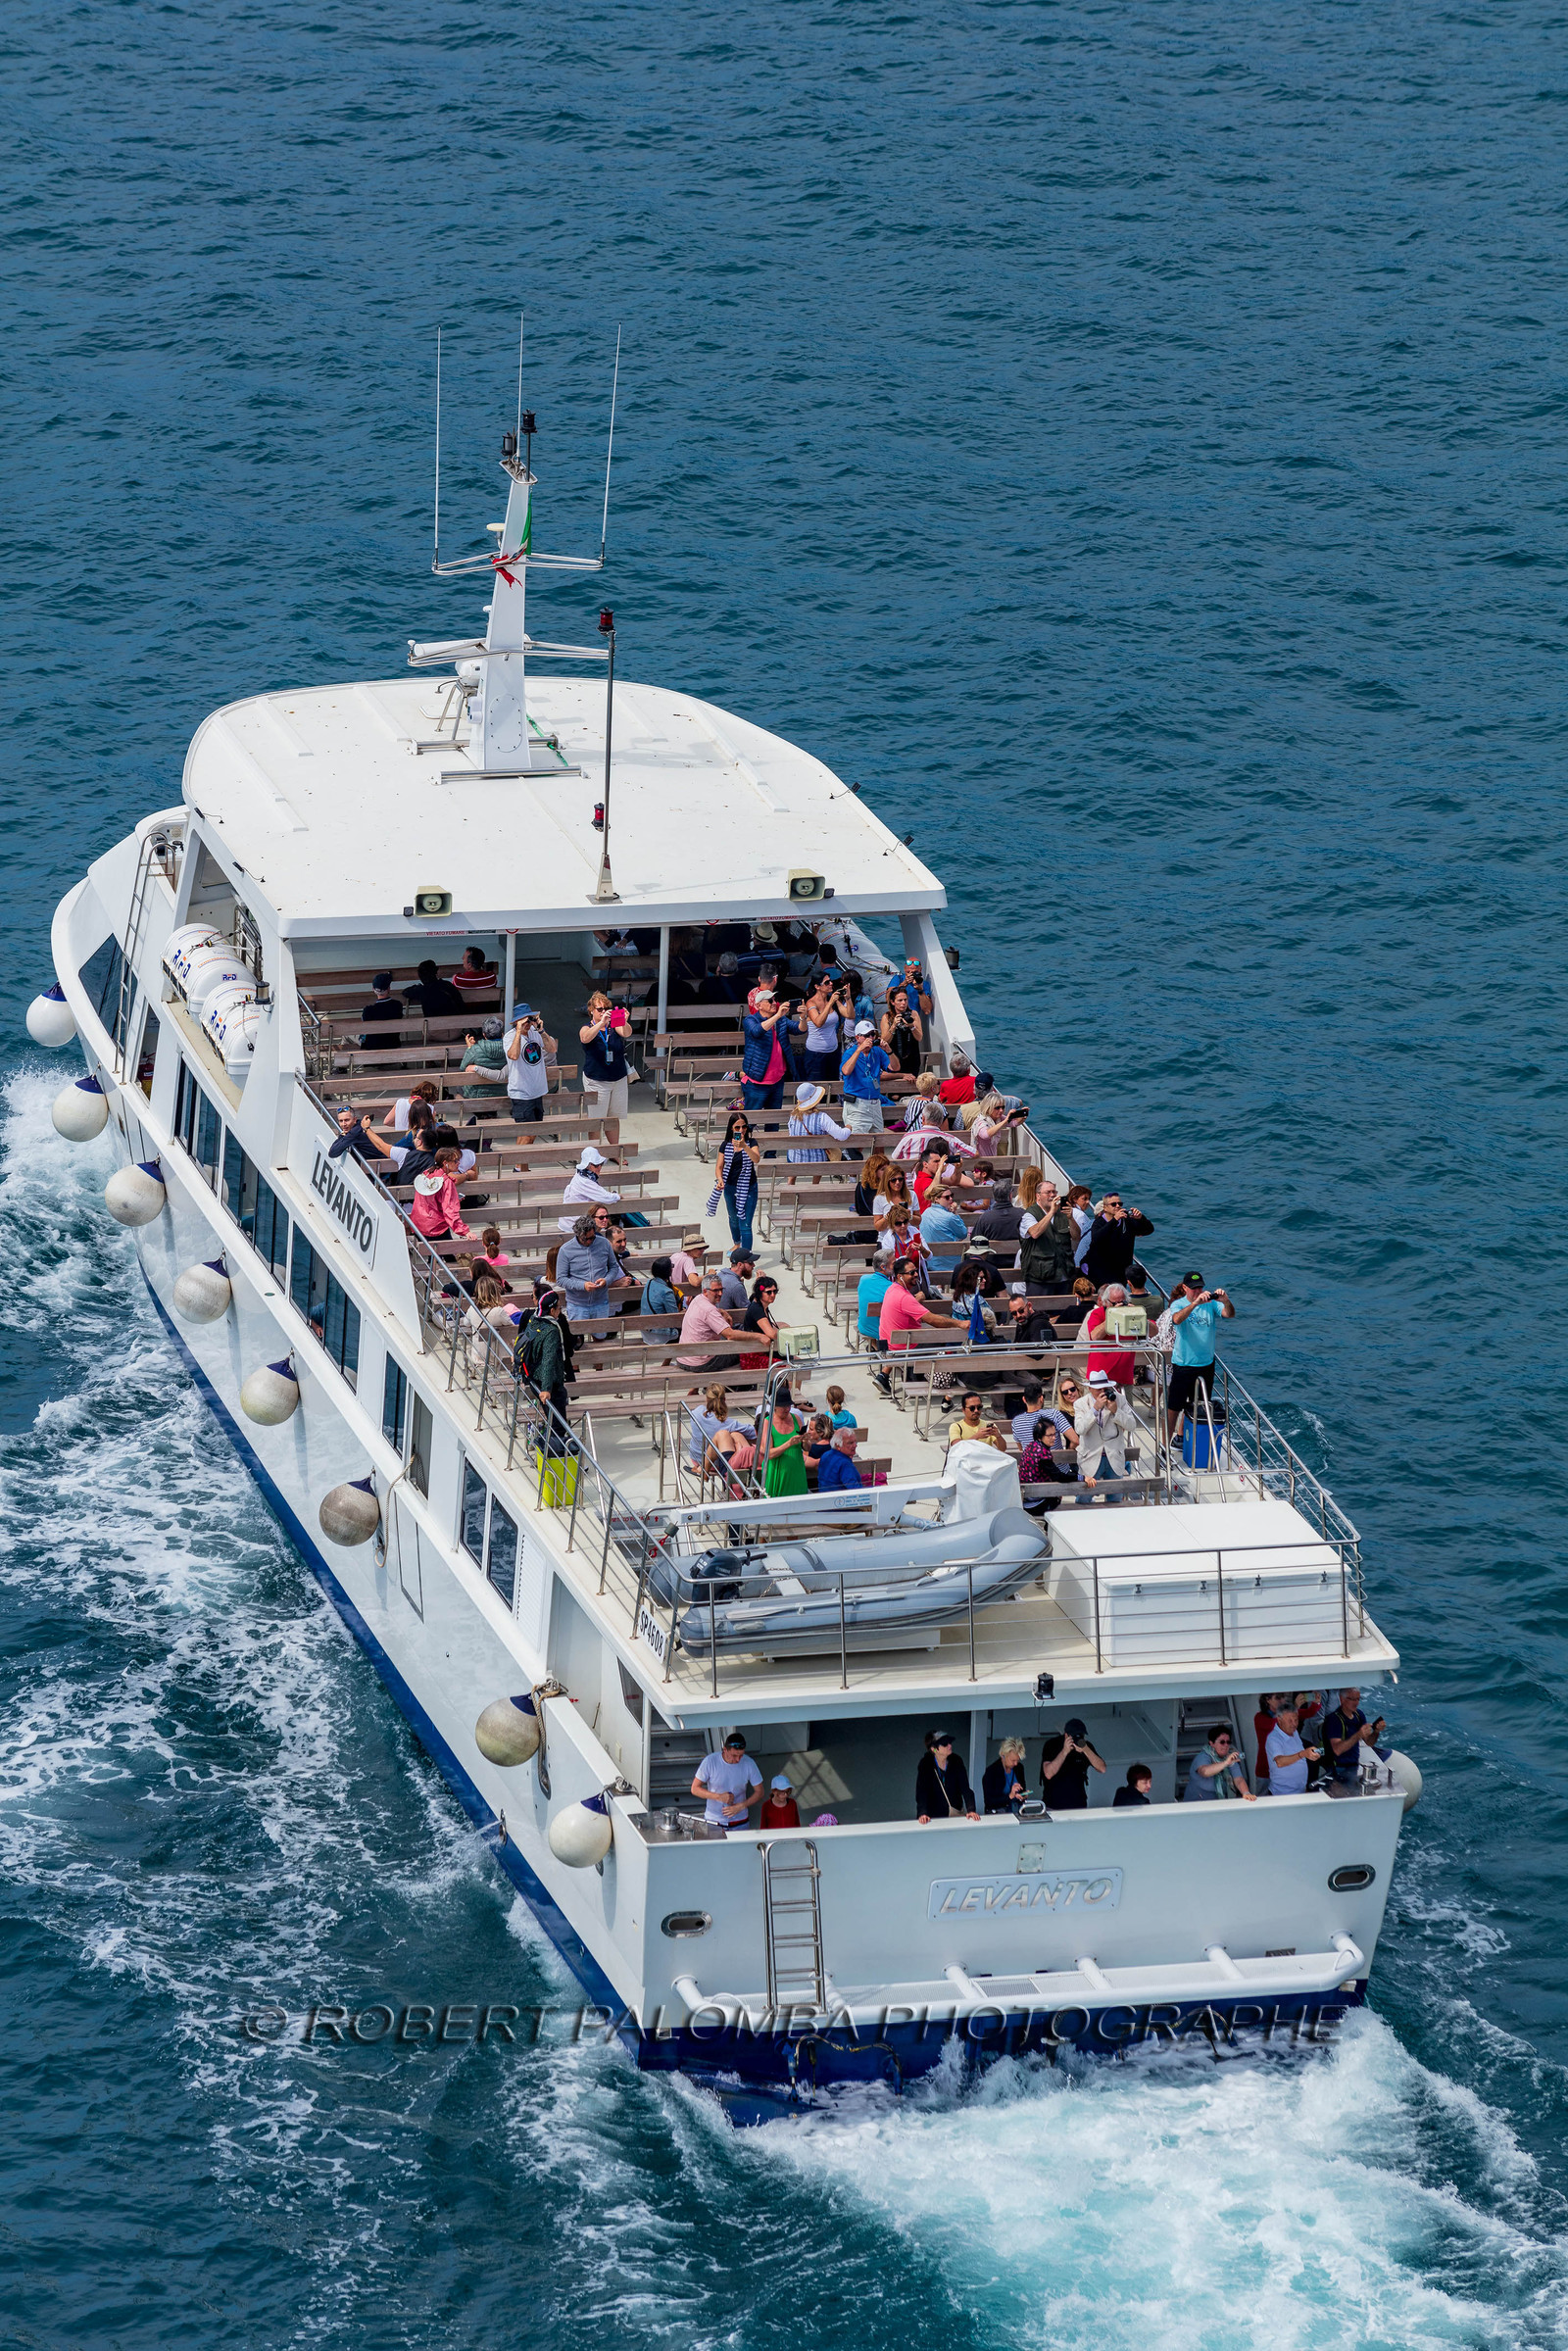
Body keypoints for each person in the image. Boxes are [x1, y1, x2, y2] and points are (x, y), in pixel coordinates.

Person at [1165, 1272, 1237, 1441]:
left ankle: (1183, 1438)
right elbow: (1176, 1319)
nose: (1198, 1291)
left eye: (1200, 1288)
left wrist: (1225, 1301)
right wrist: (1195, 1304)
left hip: (1205, 1365)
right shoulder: (1178, 1304)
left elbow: (1229, 1314)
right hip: (1184, 1365)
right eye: (1194, 1288)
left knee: (1198, 1406)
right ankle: (1165, 1445)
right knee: (1174, 1408)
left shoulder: (1211, 1304)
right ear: (1184, 1288)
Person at [514, 1288, 575, 1434]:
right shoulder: (551, 1330)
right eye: (559, 1307)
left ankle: (551, 1443)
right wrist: (546, 1389)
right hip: (549, 1382)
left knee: (552, 1417)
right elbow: (549, 1359)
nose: (560, 1310)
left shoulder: (534, 1319)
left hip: (534, 1376)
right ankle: (554, 1450)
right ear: (552, 1310)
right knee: (557, 1423)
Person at [877, 1254, 964, 1356]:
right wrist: (960, 1324)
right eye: (911, 1273)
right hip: (904, 1348)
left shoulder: (892, 1289)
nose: (916, 1274)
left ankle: (886, 1371)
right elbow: (933, 1320)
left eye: (916, 1271)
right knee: (948, 1337)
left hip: (891, 1344)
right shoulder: (904, 1297)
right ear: (900, 1276)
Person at [578, 992, 632, 1144]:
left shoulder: (614, 1026)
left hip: (618, 1078)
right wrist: (601, 1023)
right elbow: (585, 1037)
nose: (603, 1011)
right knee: (596, 1119)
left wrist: (624, 1021)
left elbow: (627, 1033)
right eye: (599, 1009)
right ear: (591, 1011)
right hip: (597, 1080)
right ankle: (595, 1153)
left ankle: (614, 1150)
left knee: (613, 1118)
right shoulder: (587, 1027)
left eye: (606, 1008)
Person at [1074, 1371, 1140, 1490]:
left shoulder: (1119, 1400)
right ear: (1090, 1388)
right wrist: (1094, 1409)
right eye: (1098, 1389)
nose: (1102, 1392)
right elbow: (1080, 1429)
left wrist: (1116, 1411)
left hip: (1114, 1458)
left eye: (1105, 1389)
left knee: (1115, 1498)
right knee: (1084, 1500)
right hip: (1090, 1458)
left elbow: (1132, 1425)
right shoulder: (1080, 1403)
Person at [691, 1733, 763, 1835]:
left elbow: (760, 1792)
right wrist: (718, 1797)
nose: (738, 1759)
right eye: (734, 1755)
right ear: (725, 1750)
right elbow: (694, 1788)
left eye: (741, 1756)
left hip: (740, 1821)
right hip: (714, 1821)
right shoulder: (710, 1761)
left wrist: (741, 1806)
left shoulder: (749, 1763)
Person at [556, 1211, 621, 1322]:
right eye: (585, 1239)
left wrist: (606, 1280)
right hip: (577, 1304)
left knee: (600, 1337)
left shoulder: (604, 1243)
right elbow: (561, 1279)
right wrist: (583, 1285)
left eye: (592, 1238)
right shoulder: (566, 1250)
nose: (589, 1241)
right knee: (577, 1338)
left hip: (601, 1301)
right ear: (578, 1235)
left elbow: (614, 1267)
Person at [1320, 1688, 1390, 1785]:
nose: (1356, 1703)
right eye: (1352, 1699)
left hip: (1354, 1765)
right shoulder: (1334, 1720)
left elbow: (1369, 1743)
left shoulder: (1359, 1715)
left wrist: (1376, 1732)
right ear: (1342, 1699)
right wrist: (1358, 1735)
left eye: (1358, 1699)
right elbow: (1337, 1749)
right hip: (1337, 1768)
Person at [1083, 1193, 1155, 1287]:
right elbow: (1097, 1239)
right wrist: (1114, 1220)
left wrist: (1141, 1218)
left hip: (1120, 1272)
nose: (1117, 1206)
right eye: (1113, 1204)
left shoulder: (1127, 1220)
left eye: (1119, 1204)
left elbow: (1148, 1230)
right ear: (1105, 1208)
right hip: (1100, 1272)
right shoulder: (1099, 1222)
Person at [713, 1110, 760, 1250]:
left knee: (745, 1224)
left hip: (748, 1188)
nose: (741, 1130)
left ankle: (745, 1256)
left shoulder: (751, 1143)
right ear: (731, 1128)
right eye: (737, 1127)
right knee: (733, 1219)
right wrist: (720, 1179)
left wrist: (744, 1146)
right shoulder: (725, 1145)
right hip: (730, 1187)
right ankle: (737, 1243)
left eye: (744, 1127)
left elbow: (756, 1159)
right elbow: (719, 1166)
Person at [740, 985, 792, 1110]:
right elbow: (757, 1031)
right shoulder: (750, 1020)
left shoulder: (780, 1020)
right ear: (758, 1005)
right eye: (770, 1001)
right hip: (757, 1082)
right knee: (750, 1122)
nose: (774, 1003)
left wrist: (803, 1017)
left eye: (775, 1000)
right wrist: (777, 1016)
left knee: (773, 1123)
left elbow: (800, 1029)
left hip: (777, 1080)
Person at [1018, 1185, 1078, 1293]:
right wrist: (1051, 1212)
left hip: (1064, 1275)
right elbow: (1035, 1233)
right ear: (1038, 1196)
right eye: (1048, 1192)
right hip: (1039, 1278)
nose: (1052, 1195)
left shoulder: (1063, 1213)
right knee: (1039, 1309)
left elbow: (1076, 1236)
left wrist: (1071, 1218)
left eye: (1054, 1192)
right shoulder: (1029, 1215)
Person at [839, 1020, 893, 1135]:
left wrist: (889, 1051)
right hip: (857, 1105)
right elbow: (846, 1071)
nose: (871, 1038)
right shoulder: (850, 1053)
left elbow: (894, 1067)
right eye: (866, 1035)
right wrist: (859, 1050)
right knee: (857, 1143)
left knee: (879, 1141)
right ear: (857, 1037)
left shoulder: (877, 1051)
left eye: (873, 1034)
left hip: (874, 1103)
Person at [505, 1005, 557, 1124]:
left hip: (537, 1091)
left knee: (533, 1133)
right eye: (524, 1021)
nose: (528, 1024)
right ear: (517, 1022)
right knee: (526, 1134)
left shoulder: (535, 1032)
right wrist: (518, 1031)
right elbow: (513, 1055)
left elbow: (552, 1049)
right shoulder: (509, 1037)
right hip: (522, 1094)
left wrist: (541, 1030)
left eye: (529, 1020)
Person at [1040, 1718, 1105, 1809]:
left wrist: (1086, 1750)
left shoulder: (1086, 1746)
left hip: (1078, 1804)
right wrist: (1064, 1751)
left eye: (1081, 1736)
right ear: (1066, 1735)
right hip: (1054, 1804)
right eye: (1074, 1736)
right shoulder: (1052, 1745)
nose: (1077, 1739)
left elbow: (1102, 1768)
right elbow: (1048, 1773)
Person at [677, 1273, 738, 1371]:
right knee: (742, 1352)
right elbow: (730, 1335)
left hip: (683, 1358)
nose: (720, 1294)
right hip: (699, 1364)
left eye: (721, 1289)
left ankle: (698, 1386)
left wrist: (721, 1311)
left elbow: (706, 1314)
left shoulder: (697, 1299)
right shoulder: (709, 1310)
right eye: (716, 1290)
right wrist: (758, 1336)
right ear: (705, 1291)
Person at [915, 1730, 979, 1823]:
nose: (950, 1746)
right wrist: (923, 1813)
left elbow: (965, 1788)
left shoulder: (956, 1761)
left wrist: (971, 1809)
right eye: (945, 1744)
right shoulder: (926, 1764)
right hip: (934, 1816)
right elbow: (922, 1792)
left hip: (954, 1814)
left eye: (949, 1742)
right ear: (934, 1749)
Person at [1084, 1283, 1138, 1390]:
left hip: (1123, 1376)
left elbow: (1154, 1331)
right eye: (1114, 1303)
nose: (1118, 1305)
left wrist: (1139, 1315)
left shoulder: (1131, 1314)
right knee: (1096, 1405)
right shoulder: (1097, 1314)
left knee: (1125, 1406)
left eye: (1122, 1302)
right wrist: (1112, 1316)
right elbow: (1094, 1336)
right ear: (1106, 1302)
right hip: (1100, 1377)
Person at [787, 1081, 854, 1167]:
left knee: (792, 1151)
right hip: (818, 1160)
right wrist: (848, 1127)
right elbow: (841, 1135)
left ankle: (791, 1180)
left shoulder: (793, 1116)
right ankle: (816, 1181)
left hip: (795, 1159)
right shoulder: (821, 1117)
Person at [558, 1145, 621, 1234]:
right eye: (596, 1165)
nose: (599, 1167)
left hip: (569, 1222)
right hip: (573, 1226)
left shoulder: (581, 1175)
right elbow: (608, 1198)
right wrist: (617, 1195)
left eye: (601, 1164)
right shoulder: (585, 1181)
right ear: (587, 1165)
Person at [760, 1386, 808, 1497]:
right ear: (775, 1406)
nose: (787, 1409)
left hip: (796, 1472)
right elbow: (769, 1454)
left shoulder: (796, 1418)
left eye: (788, 1405)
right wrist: (788, 1444)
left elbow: (807, 1448)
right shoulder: (768, 1422)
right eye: (783, 1406)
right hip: (777, 1473)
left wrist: (805, 1440)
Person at [409, 1151, 470, 1241]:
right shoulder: (446, 1182)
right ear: (445, 1163)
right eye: (455, 1161)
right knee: (447, 1254)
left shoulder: (427, 1173)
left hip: (419, 1223)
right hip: (436, 1227)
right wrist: (464, 1231)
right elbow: (450, 1209)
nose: (458, 1163)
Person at [1185, 1725, 1256, 1801]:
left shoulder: (1230, 1757)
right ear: (1211, 1743)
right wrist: (1225, 1763)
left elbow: (1238, 1779)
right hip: (1197, 1803)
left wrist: (1246, 1793)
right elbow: (1204, 1772)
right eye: (1222, 1742)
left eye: (1228, 1742)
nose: (1226, 1745)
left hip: (1220, 1802)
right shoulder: (1202, 1757)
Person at [1264, 1702, 1321, 1796]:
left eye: (1296, 1720)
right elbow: (1280, 1762)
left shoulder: (1294, 1733)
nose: (1294, 1724)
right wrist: (1302, 1754)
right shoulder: (1273, 1738)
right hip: (1282, 1794)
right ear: (1279, 1719)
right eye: (1290, 1721)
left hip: (1299, 1791)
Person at [798, 975, 846, 1083]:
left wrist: (847, 998)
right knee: (817, 1088)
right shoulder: (811, 1003)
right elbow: (818, 1022)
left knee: (833, 1088)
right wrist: (830, 1003)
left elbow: (849, 1015)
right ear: (817, 986)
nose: (831, 984)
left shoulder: (831, 1000)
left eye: (831, 981)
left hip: (833, 1052)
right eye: (827, 982)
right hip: (816, 1054)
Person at [919, 1184, 969, 1284]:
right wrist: (955, 1213)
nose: (951, 1199)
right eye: (947, 1197)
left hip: (931, 1262)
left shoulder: (925, 1213)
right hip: (950, 1262)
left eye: (952, 1196)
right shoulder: (949, 1217)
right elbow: (963, 1233)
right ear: (936, 1199)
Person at [459, 1016, 509, 1112]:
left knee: (459, 1086)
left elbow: (462, 1067)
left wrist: (470, 1048)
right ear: (502, 1034)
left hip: (477, 1094)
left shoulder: (475, 1050)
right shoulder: (509, 1049)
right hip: (502, 1091)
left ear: (484, 1034)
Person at [737, 1274, 783, 1368]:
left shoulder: (761, 1304)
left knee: (795, 1361)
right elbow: (772, 1334)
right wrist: (789, 1336)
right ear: (760, 1293)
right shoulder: (757, 1309)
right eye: (769, 1292)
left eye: (775, 1291)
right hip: (753, 1357)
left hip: (762, 1350)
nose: (773, 1295)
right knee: (791, 1369)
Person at [880, 985, 924, 1079]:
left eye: (905, 1000)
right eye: (900, 1000)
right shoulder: (887, 1017)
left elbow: (919, 1037)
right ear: (892, 1002)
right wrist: (893, 1026)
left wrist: (912, 1026)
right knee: (895, 1092)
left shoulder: (913, 1014)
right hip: (894, 1059)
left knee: (911, 1085)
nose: (903, 1003)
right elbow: (884, 1041)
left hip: (912, 1057)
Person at [358, 972, 407, 1053]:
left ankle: (344, 1064)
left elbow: (364, 1033)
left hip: (371, 1047)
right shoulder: (397, 1006)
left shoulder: (368, 1010)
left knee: (347, 1037)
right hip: (393, 1045)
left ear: (373, 989)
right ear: (389, 989)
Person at [639, 1255, 682, 1346]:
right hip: (658, 1336)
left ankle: (667, 1360)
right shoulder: (667, 1292)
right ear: (669, 1271)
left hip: (645, 1332)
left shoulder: (649, 1283)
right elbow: (675, 1318)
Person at [982, 1738, 1028, 1815]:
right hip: (998, 1814)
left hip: (1017, 1811)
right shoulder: (991, 1772)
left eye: (1018, 1760)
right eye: (1013, 1760)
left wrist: (1023, 1795)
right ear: (1003, 1756)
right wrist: (1010, 1796)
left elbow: (1022, 1788)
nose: (1016, 1763)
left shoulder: (1019, 1768)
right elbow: (989, 1802)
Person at [816, 1426, 863, 1491]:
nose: (855, 1445)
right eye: (850, 1443)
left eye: (855, 1442)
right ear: (837, 1445)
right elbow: (855, 1489)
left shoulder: (825, 1455)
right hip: (839, 1498)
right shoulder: (844, 1463)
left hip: (824, 1496)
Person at [717, 1248, 756, 1313]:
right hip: (731, 1322)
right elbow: (749, 1312)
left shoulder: (720, 1275)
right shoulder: (736, 1286)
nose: (753, 1265)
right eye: (750, 1262)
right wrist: (760, 1287)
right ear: (740, 1265)